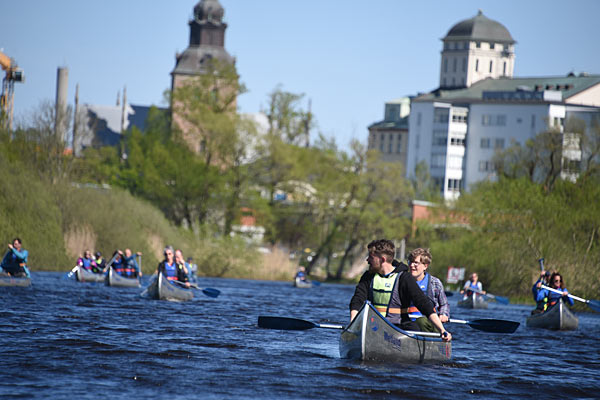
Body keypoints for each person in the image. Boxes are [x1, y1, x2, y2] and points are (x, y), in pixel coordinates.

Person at [349, 239, 451, 341]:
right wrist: (353, 324)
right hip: (374, 326)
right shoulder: (368, 277)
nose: (367, 260)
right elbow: (357, 300)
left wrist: (442, 330)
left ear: (382, 259)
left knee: (417, 327)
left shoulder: (404, 277)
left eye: (371, 257)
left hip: (399, 327)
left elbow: (423, 303)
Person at [406, 248, 450, 332]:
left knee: (421, 321)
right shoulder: (403, 280)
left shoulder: (434, 283)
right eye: (410, 262)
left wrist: (443, 314)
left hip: (428, 324)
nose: (411, 265)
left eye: (416, 263)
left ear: (425, 266)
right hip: (408, 323)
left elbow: (444, 304)